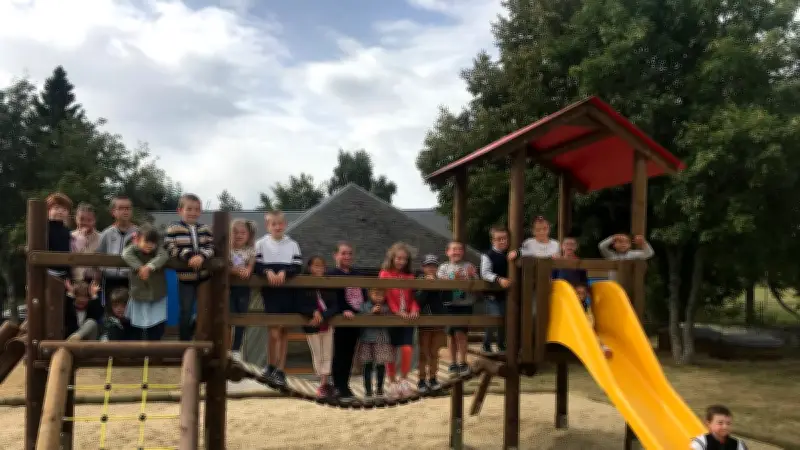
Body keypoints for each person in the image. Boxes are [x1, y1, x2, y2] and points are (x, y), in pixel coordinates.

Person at [254, 210, 302, 389]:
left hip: (288, 291)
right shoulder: (260, 243)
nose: (277, 226)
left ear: (285, 224)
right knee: (273, 330)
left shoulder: (293, 244)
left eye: (280, 223)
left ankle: (281, 370)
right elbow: (256, 265)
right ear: (268, 226)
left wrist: (284, 272)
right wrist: (267, 271)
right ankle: (270, 365)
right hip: (270, 291)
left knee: (284, 330)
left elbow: (297, 265)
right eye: (273, 224)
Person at [164, 194, 214, 341]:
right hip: (185, 277)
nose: (193, 212)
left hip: (204, 277)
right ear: (180, 210)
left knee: (205, 309)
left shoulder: (205, 229)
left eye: (197, 209)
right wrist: (189, 256)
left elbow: (212, 246)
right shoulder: (173, 228)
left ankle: (200, 340)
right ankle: (184, 342)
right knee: (185, 309)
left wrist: (202, 256)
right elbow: (169, 246)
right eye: (189, 209)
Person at [327, 242, 368, 402]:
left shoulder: (357, 274)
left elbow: (363, 293)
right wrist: (342, 309)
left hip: (356, 317)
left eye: (350, 253)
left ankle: (345, 385)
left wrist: (365, 309)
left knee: (350, 353)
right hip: (341, 317)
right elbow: (332, 296)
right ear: (335, 255)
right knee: (339, 353)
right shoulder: (332, 273)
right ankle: (338, 386)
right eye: (343, 253)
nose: (347, 256)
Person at [379, 242, 419, 399]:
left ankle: (404, 380)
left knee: (407, 348)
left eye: (404, 259)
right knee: (391, 350)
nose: (401, 261)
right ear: (392, 258)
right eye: (398, 258)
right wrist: (397, 312)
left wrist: (414, 309)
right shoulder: (385, 274)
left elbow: (413, 297)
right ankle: (392, 382)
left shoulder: (410, 276)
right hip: (391, 315)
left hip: (407, 317)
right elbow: (387, 296)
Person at [299, 256, 339, 398]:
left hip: (326, 324)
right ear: (309, 267)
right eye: (316, 265)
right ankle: (322, 383)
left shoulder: (327, 284)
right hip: (312, 325)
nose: (319, 268)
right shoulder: (304, 284)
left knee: (327, 353)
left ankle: (324, 383)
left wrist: (324, 315)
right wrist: (313, 312)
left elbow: (335, 306)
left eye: (321, 266)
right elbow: (300, 305)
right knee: (317, 354)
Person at [122, 225, 170, 341]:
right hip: (139, 293)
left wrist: (149, 267)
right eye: (147, 241)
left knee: (156, 325)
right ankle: (136, 348)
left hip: (156, 294)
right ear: (138, 240)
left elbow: (164, 255)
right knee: (137, 324)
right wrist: (140, 267)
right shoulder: (133, 249)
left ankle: (154, 348)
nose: (150, 245)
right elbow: (126, 253)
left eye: (153, 242)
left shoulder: (158, 250)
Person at [438, 241, 478, 377]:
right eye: (453, 249)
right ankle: (453, 362)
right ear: (447, 252)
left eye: (459, 249)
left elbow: (477, 282)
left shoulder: (469, 266)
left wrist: (471, 276)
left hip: (465, 304)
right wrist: (453, 277)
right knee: (450, 334)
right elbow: (439, 279)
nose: (456, 252)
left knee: (461, 333)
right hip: (448, 304)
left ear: (463, 252)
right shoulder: (444, 266)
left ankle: (462, 362)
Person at [415, 254, 447, 394]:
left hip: (438, 321)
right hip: (424, 321)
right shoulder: (419, 281)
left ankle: (433, 378)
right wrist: (427, 286)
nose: (431, 268)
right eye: (428, 266)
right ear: (423, 267)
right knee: (423, 352)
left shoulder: (442, 281)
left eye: (434, 266)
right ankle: (421, 380)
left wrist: (445, 285)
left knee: (434, 352)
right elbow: (418, 301)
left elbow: (450, 298)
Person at [97, 196, 138, 306]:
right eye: (121, 208)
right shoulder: (106, 233)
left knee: (129, 309)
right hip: (110, 279)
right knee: (109, 309)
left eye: (128, 208)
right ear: (113, 212)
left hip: (131, 280)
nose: (125, 211)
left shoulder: (138, 233)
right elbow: (99, 255)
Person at [480, 226, 512, 354]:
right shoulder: (488, 255)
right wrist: (499, 279)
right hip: (492, 295)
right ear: (493, 241)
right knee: (494, 318)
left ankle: (501, 344)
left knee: (504, 319)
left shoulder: (510, 254)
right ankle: (486, 344)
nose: (502, 241)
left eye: (505, 238)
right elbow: (485, 273)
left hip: (506, 295)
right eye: (499, 239)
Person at [229, 218, 257, 362]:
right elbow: (225, 266)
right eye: (235, 232)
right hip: (228, 289)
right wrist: (235, 270)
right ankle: (226, 347)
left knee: (241, 318)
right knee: (229, 317)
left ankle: (236, 349)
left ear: (248, 235)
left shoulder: (250, 250)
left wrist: (248, 270)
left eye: (242, 233)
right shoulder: (227, 250)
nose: (239, 235)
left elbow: (251, 264)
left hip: (243, 289)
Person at [359, 288, 394, 398]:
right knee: (367, 365)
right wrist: (371, 313)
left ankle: (379, 389)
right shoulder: (364, 306)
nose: (379, 297)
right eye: (376, 294)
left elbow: (390, 320)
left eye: (381, 295)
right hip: (367, 339)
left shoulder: (386, 307)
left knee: (381, 365)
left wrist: (382, 313)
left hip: (381, 339)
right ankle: (368, 390)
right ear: (370, 294)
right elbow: (361, 319)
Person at [575, 283, 611, 358]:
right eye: (578, 293)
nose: (580, 296)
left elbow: (590, 317)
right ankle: (598, 350)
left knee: (595, 338)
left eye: (583, 293)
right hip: (578, 329)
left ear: (586, 295)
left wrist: (589, 325)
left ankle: (604, 348)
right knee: (588, 339)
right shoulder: (573, 305)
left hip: (587, 328)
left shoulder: (586, 306)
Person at [46, 192, 73, 280]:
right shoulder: (43, 229)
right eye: (56, 208)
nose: (60, 211)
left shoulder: (67, 231)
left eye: (64, 209)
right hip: (47, 272)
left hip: (64, 274)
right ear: (48, 210)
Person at [71, 202, 100, 282]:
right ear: (76, 219)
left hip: (94, 281)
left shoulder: (101, 238)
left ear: (94, 220)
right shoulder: (70, 237)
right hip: (73, 279)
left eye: (89, 220)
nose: (85, 223)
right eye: (81, 219)